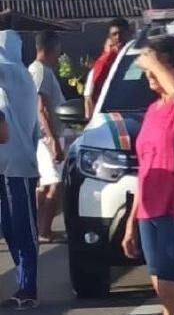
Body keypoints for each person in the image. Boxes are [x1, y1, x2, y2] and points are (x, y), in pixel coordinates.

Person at [121, 36, 174, 315]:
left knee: (169, 290)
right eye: (146, 68)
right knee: (163, 289)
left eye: (156, 66)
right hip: (150, 209)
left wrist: (152, 61)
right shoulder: (153, 110)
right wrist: (131, 222)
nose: (148, 73)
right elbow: (145, 166)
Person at [0, 30, 41, 309]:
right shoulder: (17, 76)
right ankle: (23, 284)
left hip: (16, 165)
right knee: (10, 227)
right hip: (11, 163)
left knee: (22, 228)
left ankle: (29, 287)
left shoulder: (15, 74)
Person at [29, 30, 66, 243]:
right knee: (55, 184)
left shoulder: (38, 70)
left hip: (45, 136)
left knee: (44, 184)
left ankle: (37, 228)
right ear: (51, 48)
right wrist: (52, 141)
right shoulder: (40, 71)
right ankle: (44, 230)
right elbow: (41, 108)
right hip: (46, 137)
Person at [84, 17, 133, 118]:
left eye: (121, 33)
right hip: (111, 116)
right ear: (109, 37)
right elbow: (91, 96)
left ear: (129, 33)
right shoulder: (104, 62)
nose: (118, 37)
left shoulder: (141, 57)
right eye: (114, 34)